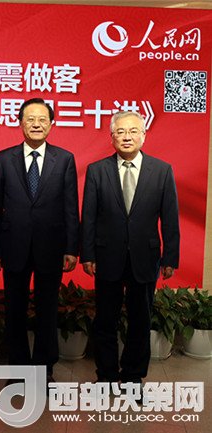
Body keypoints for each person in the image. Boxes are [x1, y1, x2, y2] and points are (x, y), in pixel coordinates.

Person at [81, 111, 179, 387]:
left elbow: (170, 217)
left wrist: (170, 257)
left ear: (143, 135)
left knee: (140, 320)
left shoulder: (162, 170)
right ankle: (107, 375)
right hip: (106, 256)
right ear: (111, 137)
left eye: (133, 131)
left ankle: (133, 376)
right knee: (105, 320)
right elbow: (89, 216)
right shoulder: (97, 170)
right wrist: (87, 254)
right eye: (120, 131)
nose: (127, 137)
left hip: (145, 257)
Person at [0, 98, 79, 384]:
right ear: (20, 123)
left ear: (51, 124)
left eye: (42, 119)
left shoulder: (64, 159)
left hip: (51, 246)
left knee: (47, 310)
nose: (36, 124)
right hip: (13, 246)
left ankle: (44, 369)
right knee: (14, 309)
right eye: (30, 119)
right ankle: (18, 368)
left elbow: (70, 207)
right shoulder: (4, 158)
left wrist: (71, 248)